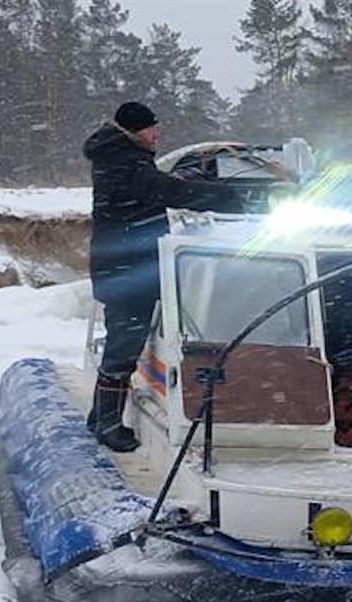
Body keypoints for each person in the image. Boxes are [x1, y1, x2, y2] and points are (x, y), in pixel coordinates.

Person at [82, 101, 241, 452]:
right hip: (127, 272)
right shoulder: (126, 163)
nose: (156, 134)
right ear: (134, 130)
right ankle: (108, 425)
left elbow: (160, 186)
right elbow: (167, 192)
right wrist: (230, 197)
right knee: (123, 347)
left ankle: (100, 416)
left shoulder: (119, 157)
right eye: (151, 128)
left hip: (121, 268)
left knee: (121, 343)